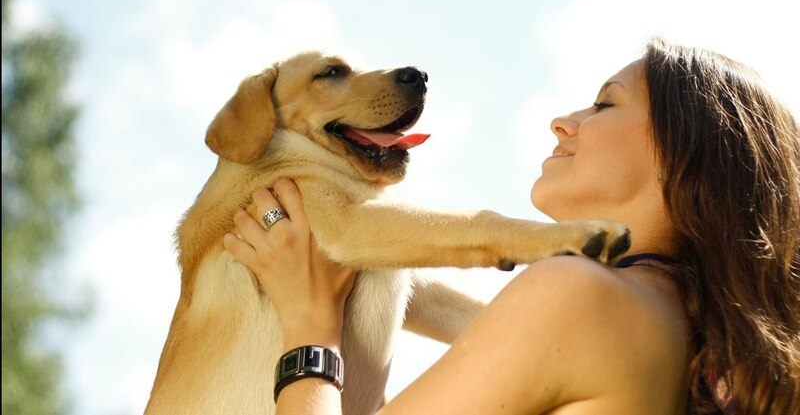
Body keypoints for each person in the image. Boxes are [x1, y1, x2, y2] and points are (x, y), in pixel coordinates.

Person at [223, 38, 800, 414]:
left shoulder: (578, 295)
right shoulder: (681, 331)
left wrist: (309, 328)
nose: (563, 121)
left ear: (684, 151)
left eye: (603, 106)